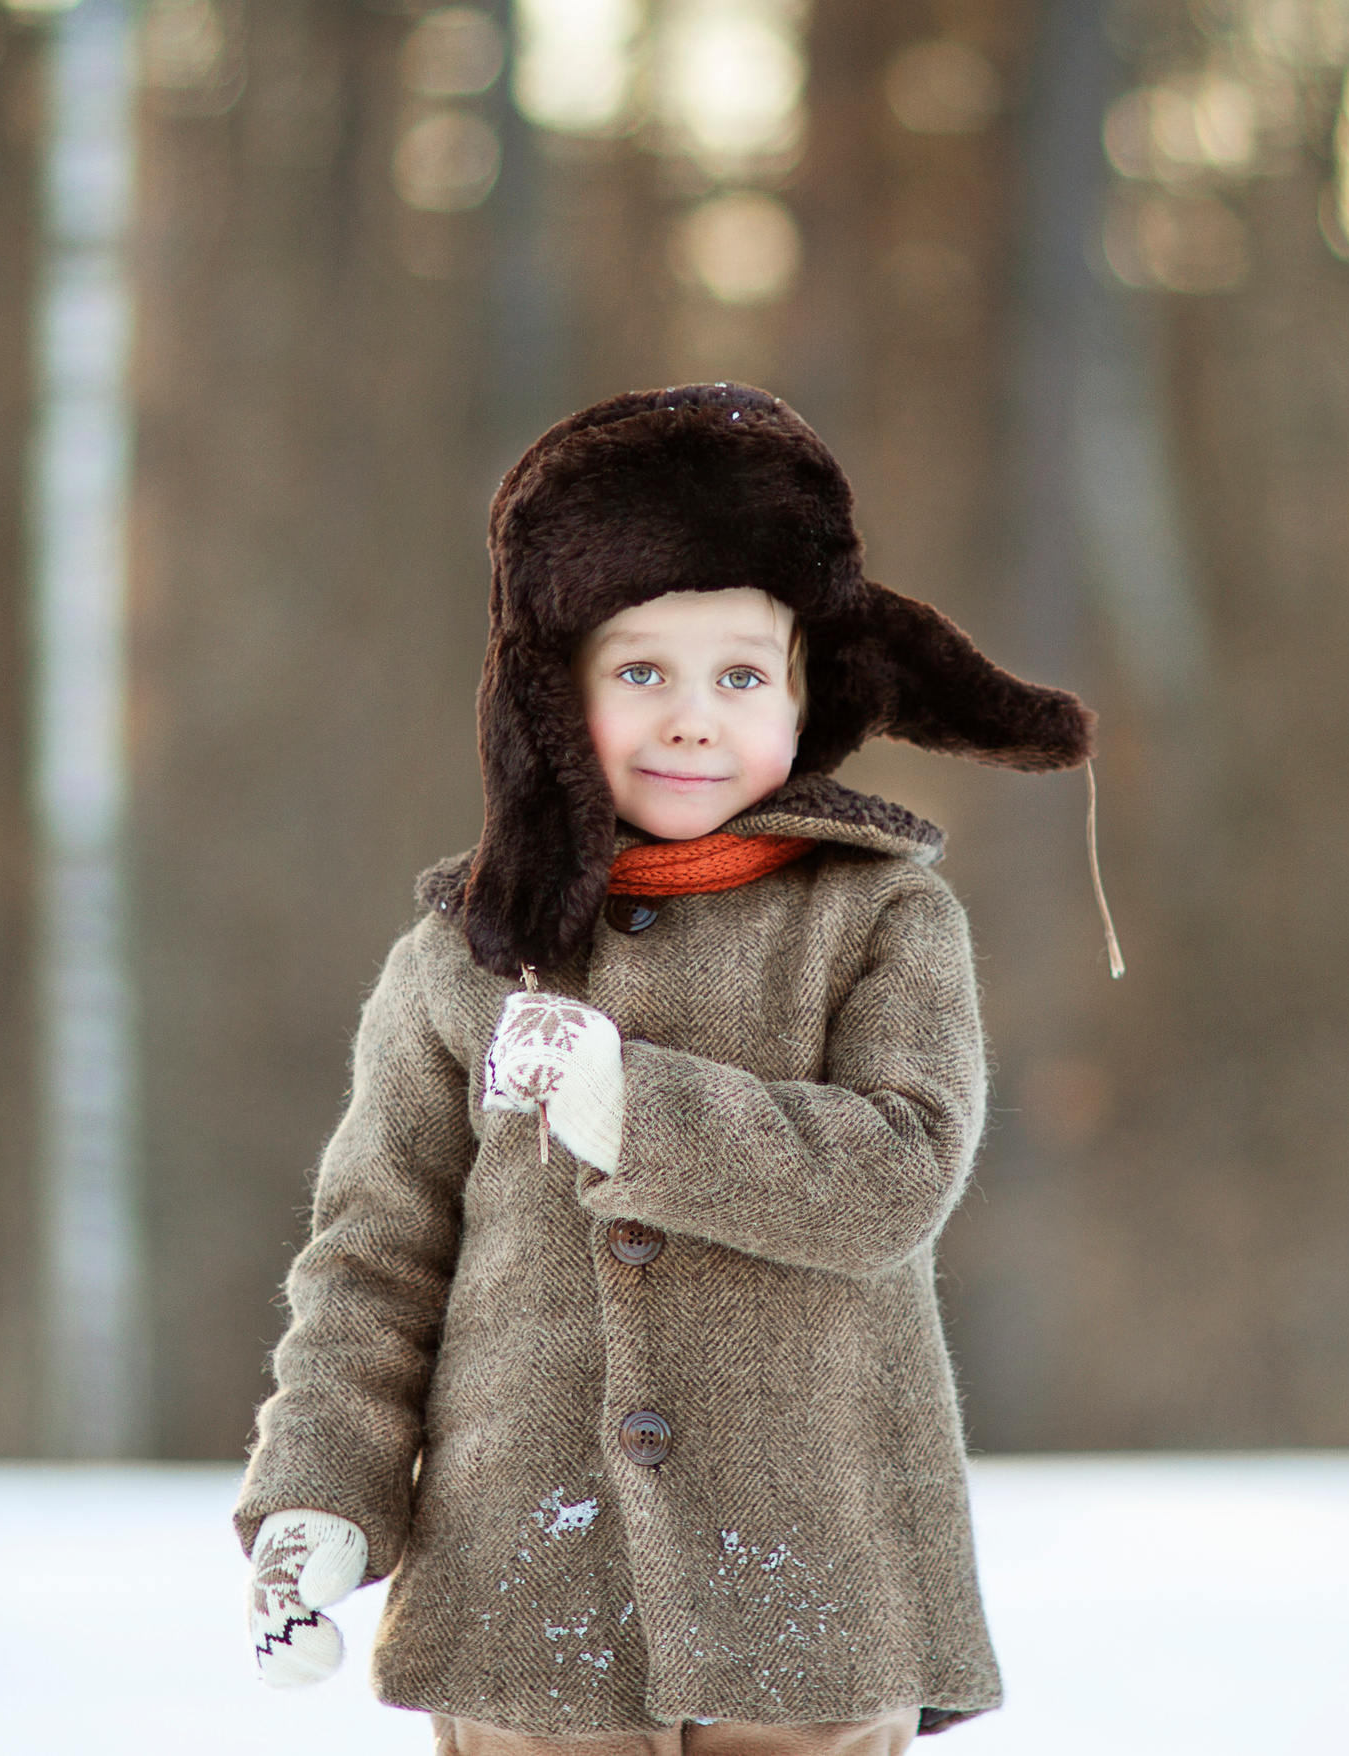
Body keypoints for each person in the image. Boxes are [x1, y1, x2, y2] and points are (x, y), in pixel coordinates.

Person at [235, 384, 1096, 1755]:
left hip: (810, 1599)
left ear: (809, 693)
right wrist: (319, 1501)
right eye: (643, 672)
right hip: (527, 1601)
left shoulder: (881, 917)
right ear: (553, 690)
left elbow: (899, 1172)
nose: (695, 718)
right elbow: (373, 1256)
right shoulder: (462, 958)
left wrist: (630, 1105)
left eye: (741, 675)